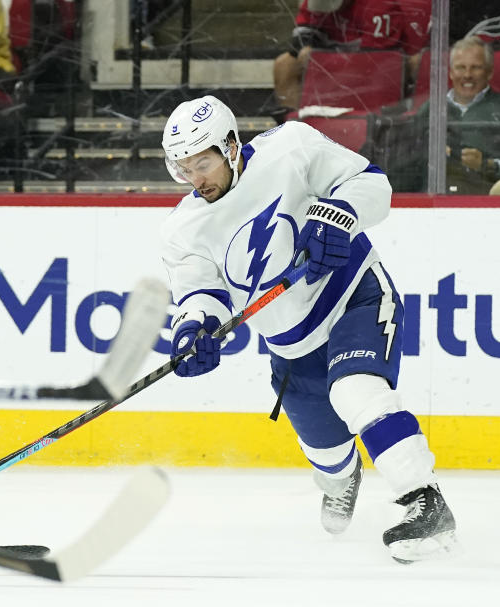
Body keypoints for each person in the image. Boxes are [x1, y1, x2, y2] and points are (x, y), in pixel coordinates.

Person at [159, 95, 457, 564]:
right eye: (183, 169)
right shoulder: (183, 228)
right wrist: (195, 329)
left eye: (203, 163)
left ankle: (425, 499)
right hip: (291, 346)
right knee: (328, 456)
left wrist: (338, 215)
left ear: (231, 146)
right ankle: (342, 478)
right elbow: (201, 292)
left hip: (353, 296)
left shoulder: (290, 147)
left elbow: (369, 182)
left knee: (357, 391)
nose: (195, 179)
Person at [401, 37, 500, 194]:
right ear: (451, 72)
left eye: (475, 67)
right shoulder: (432, 107)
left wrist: (488, 164)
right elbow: (404, 158)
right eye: (461, 67)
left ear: (489, 72)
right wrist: (430, 155)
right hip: (432, 199)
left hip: (485, 201)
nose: (467, 75)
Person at [272, 0, 431, 112]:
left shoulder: (379, 5)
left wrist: (325, 60)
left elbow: (377, 60)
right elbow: (301, 36)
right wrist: (304, 49)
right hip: (332, 62)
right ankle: (292, 126)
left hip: (372, 67)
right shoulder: (314, 2)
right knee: (285, 64)